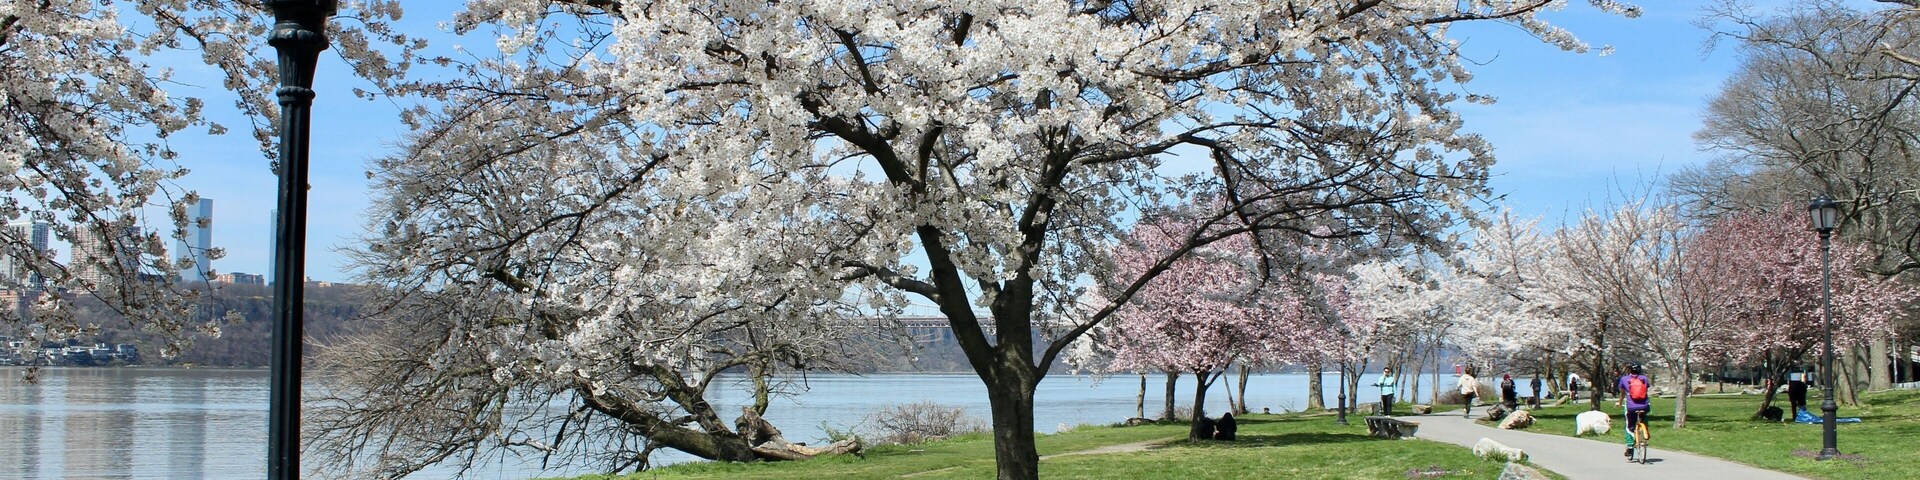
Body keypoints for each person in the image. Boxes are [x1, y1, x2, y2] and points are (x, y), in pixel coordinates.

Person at [1616, 363, 1653, 459]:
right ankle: (1645, 431)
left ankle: (1629, 446)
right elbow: (1645, 391)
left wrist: (1619, 403)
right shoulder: (1644, 379)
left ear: (1629, 370)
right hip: (1644, 405)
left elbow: (1622, 394)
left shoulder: (1624, 379)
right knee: (1643, 418)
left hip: (1631, 407)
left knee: (1629, 426)